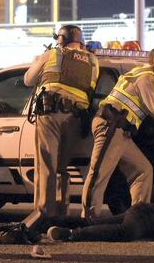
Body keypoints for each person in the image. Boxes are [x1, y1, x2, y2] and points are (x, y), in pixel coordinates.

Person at [81, 46, 154, 222]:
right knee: (98, 174)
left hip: (121, 131)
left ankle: (139, 216)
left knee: (143, 170)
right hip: (111, 126)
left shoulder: (144, 75)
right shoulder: (146, 78)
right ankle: (88, 219)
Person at [22, 25, 99, 231]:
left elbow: (28, 80)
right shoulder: (93, 60)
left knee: (46, 165)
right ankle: (60, 214)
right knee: (62, 168)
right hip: (75, 117)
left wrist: (36, 61)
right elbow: (90, 89)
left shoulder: (52, 54)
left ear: (62, 39)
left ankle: (43, 214)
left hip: (51, 112)